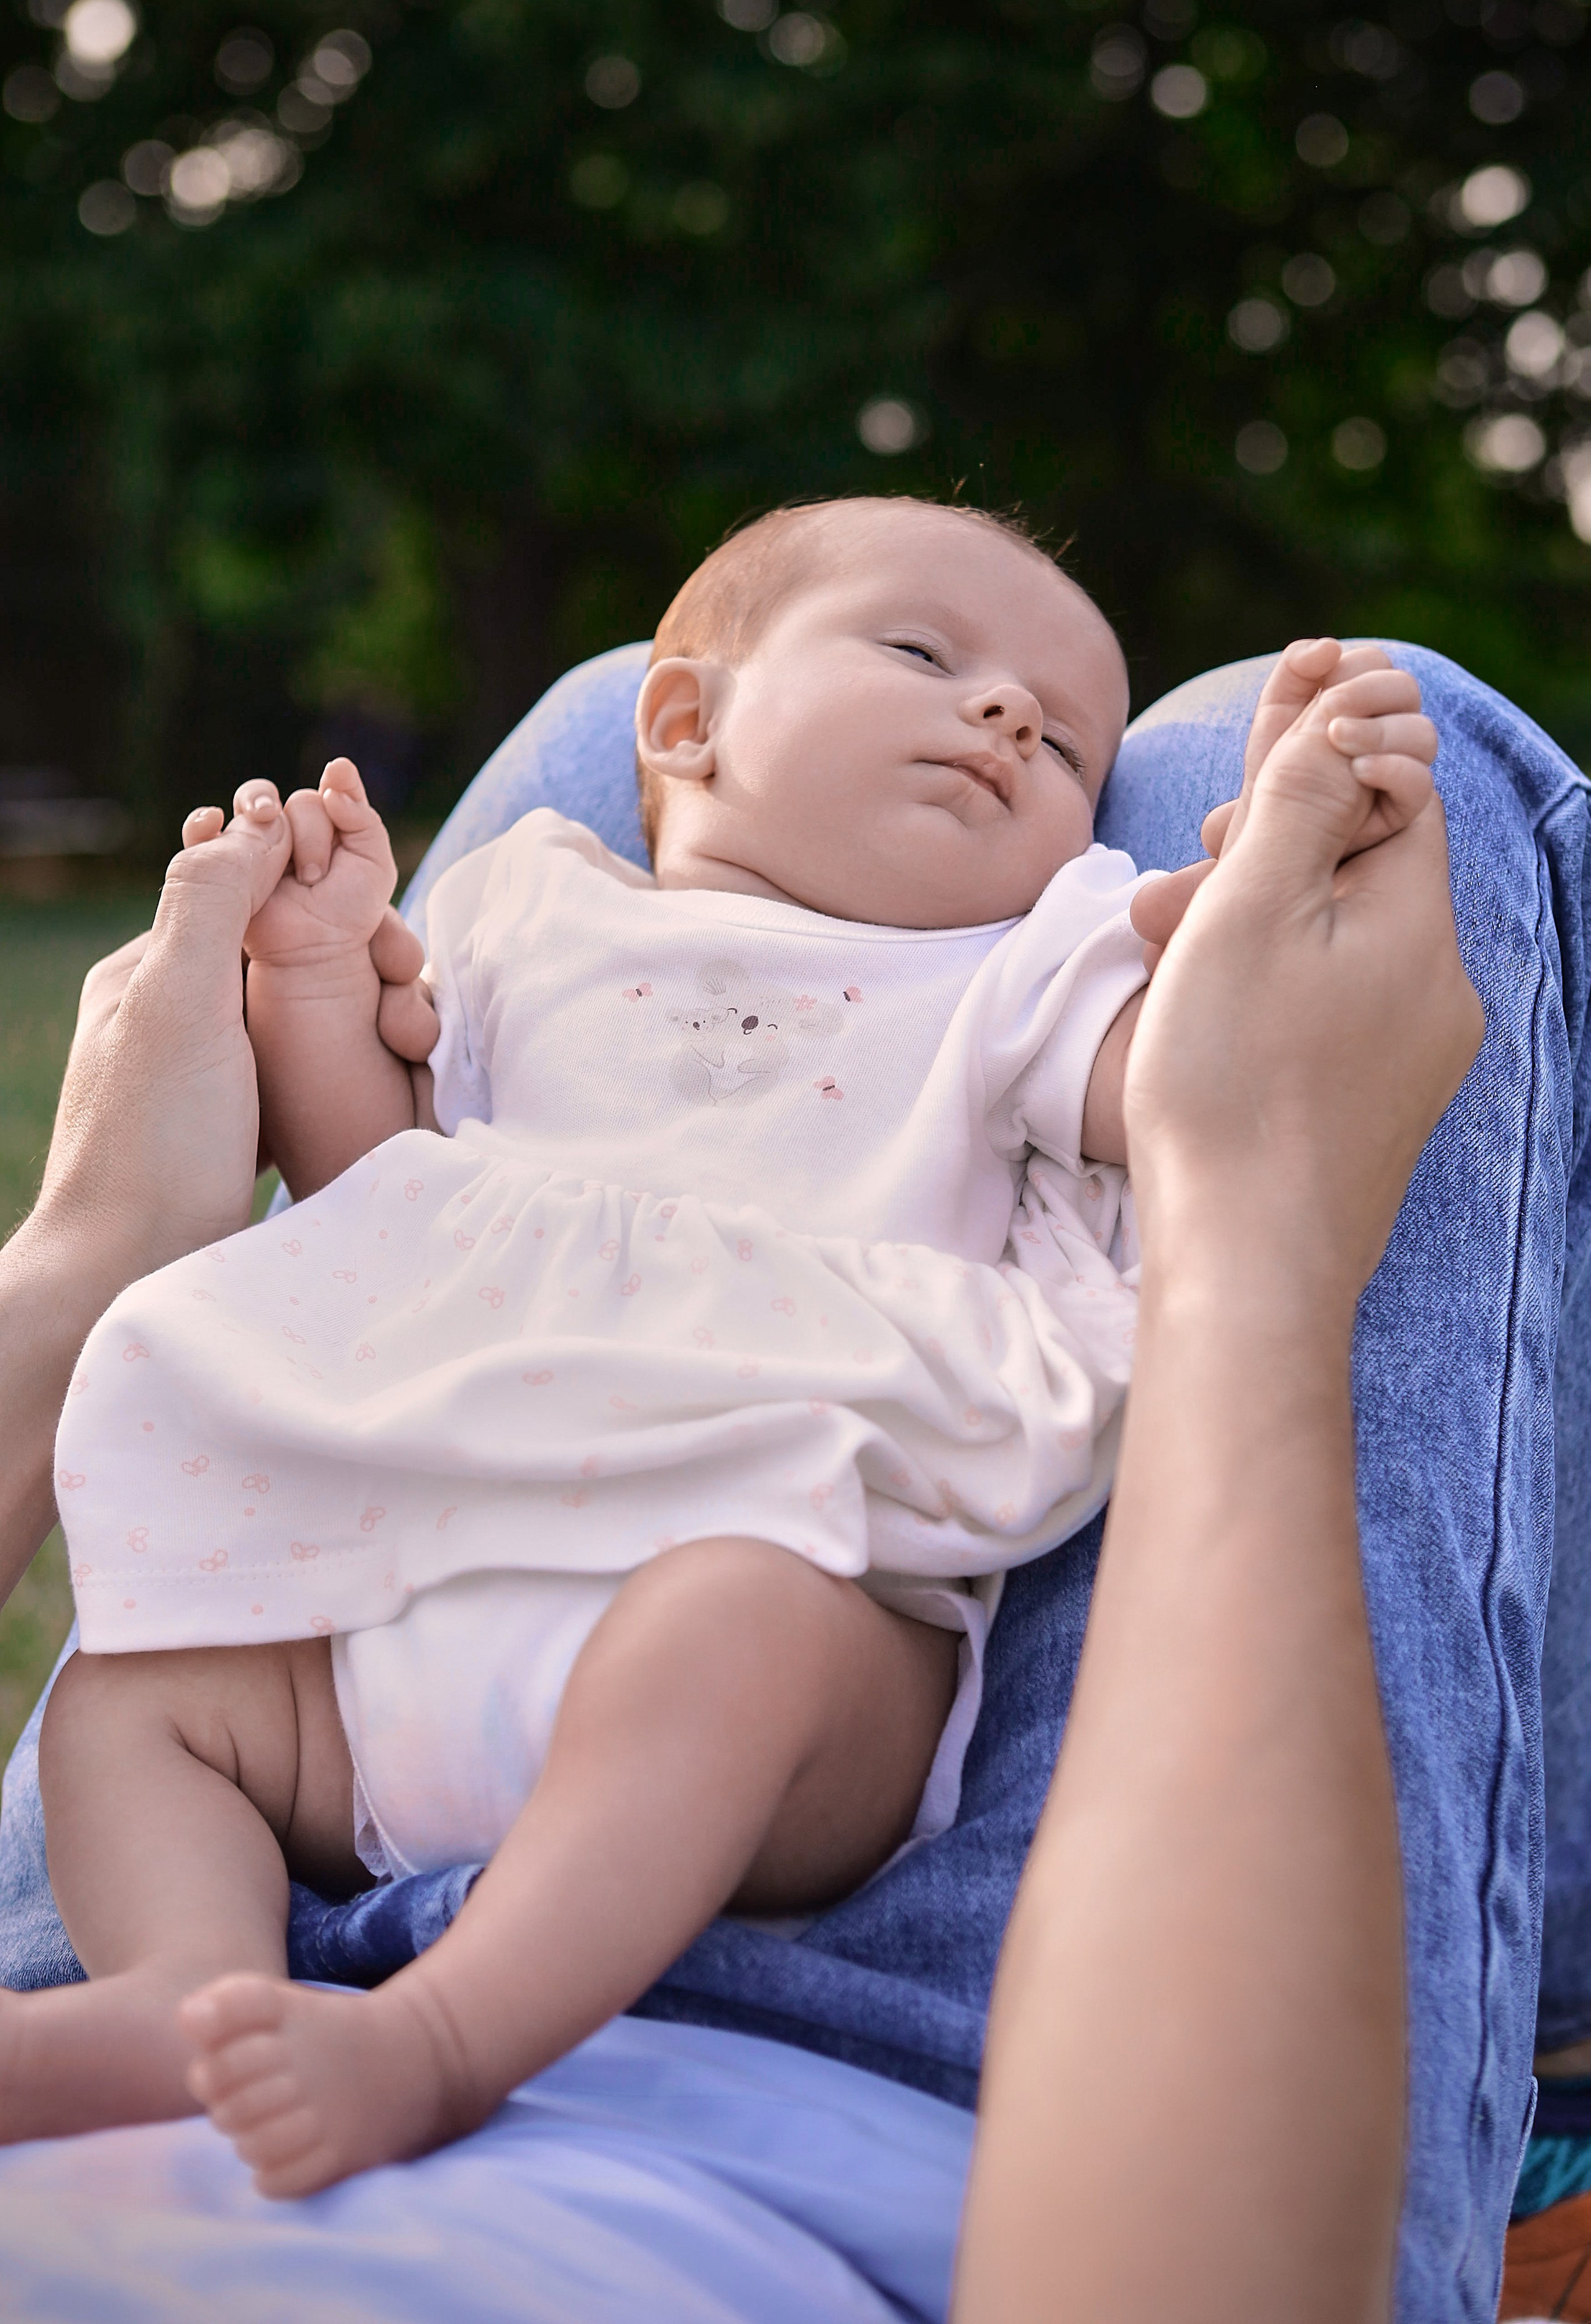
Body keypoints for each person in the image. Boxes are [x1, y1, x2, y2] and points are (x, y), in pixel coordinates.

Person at [0, 600, 1570, 2323]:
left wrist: (1254, 883)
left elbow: (1203, 1072)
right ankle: (184, 1984)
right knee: (143, 1694)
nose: (1005, 714)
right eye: (920, 656)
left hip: (770, 1581)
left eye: (1062, 746)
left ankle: (438, 2038)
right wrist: (314, 987)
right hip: (403, 1611)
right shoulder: (534, 908)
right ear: (678, 726)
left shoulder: (1017, 961)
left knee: (736, 1623)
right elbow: (393, 1188)